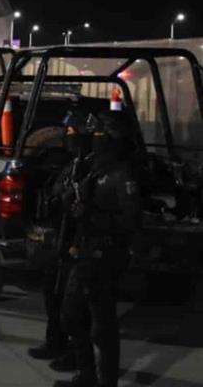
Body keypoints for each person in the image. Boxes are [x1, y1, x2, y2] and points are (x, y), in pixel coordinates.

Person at [56, 111, 140, 387]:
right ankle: (86, 374)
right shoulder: (95, 167)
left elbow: (130, 221)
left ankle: (105, 381)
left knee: (102, 323)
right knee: (71, 314)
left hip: (105, 253)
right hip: (85, 248)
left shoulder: (121, 174)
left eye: (99, 134)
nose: (93, 139)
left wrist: (90, 214)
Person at [28, 112, 88, 370]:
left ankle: (77, 355)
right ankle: (55, 342)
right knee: (53, 294)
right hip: (59, 239)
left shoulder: (89, 167)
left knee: (73, 305)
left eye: (72, 132)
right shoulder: (70, 164)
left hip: (78, 243)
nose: (66, 137)